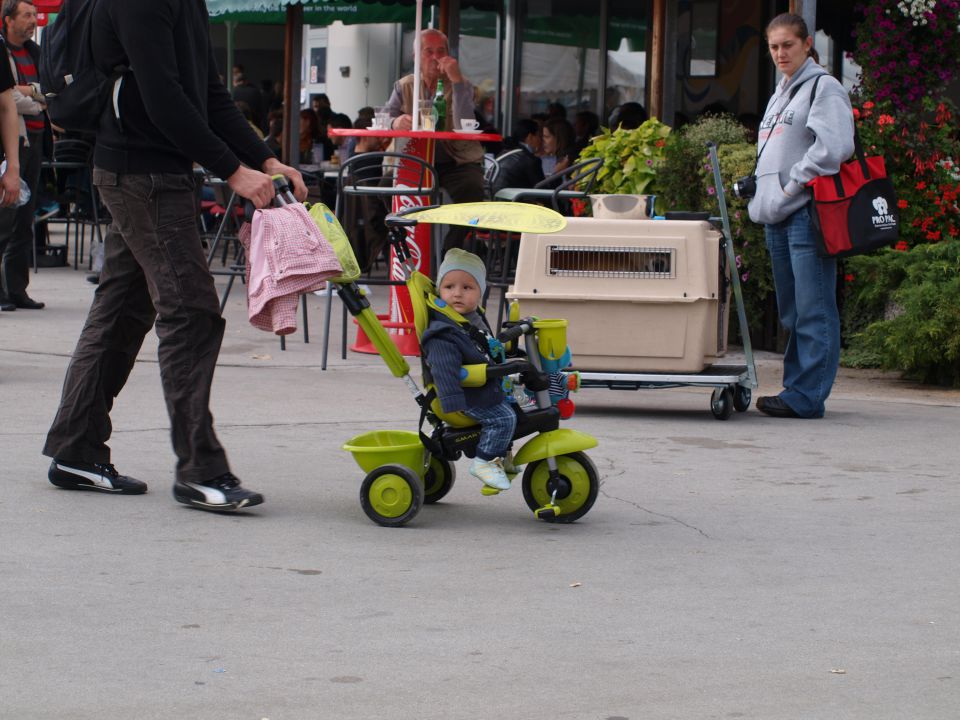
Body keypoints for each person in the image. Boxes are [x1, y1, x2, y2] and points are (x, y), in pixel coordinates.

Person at [42, 0, 307, 511]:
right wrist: (233, 171)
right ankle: (200, 470)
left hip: (157, 174)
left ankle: (76, 447)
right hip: (140, 176)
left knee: (123, 310)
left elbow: (208, 93)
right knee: (191, 313)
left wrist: (265, 158)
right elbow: (164, 97)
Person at [747, 13, 854, 419]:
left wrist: (792, 186)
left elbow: (835, 147)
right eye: (773, 47)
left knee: (813, 306)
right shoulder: (781, 92)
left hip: (806, 211)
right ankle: (798, 388)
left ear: (807, 44)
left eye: (787, 45)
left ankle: (807, 396)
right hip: (777, 214)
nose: (779, 53)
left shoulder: (824, 87)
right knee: (793, 310)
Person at [420, 249, 519, 491]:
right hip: (464, 396)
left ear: (480, 293)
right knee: (503, 418)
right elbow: (444, 369)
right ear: (439, 291)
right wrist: (452, 401)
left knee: (522, 403)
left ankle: (500, 454)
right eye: (449, 286)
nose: (457, 293)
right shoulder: (443, 331)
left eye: (467, 287)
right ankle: (485, 461)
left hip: (483, 387)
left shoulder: (472, 319)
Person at [386, 28, 484, 257]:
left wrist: (457, 80)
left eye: (441, 51)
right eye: (428, 51)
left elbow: (465, 123)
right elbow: (385, 120)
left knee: (473, 188)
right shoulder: (405, 85)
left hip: (454, 160)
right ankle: (398, 246)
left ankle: (451, 250)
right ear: (416, 57)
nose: (435, 57)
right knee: (379, 187)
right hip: (413, 161)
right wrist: (395, 122)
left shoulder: (462, 85)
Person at [0, 0, 46, 311]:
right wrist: (37, 97)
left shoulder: (36, 52)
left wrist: (33, 93)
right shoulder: (4, 52)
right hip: (15, 141)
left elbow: (54, 90)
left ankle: (17, 289)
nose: (33, 21)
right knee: (5, 219)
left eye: (34, 15)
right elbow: (10, 99)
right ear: (8, 20)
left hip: (38, 142)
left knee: (25, 220)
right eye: (27, 15)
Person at [490, 118, 543, 198]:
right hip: (511, 204)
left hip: (493, 198)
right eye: (539, 136)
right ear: (530, 137)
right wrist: (557, 173)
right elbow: (542, 192)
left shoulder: (504, 152)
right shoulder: (529, 160)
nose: (541, 140)